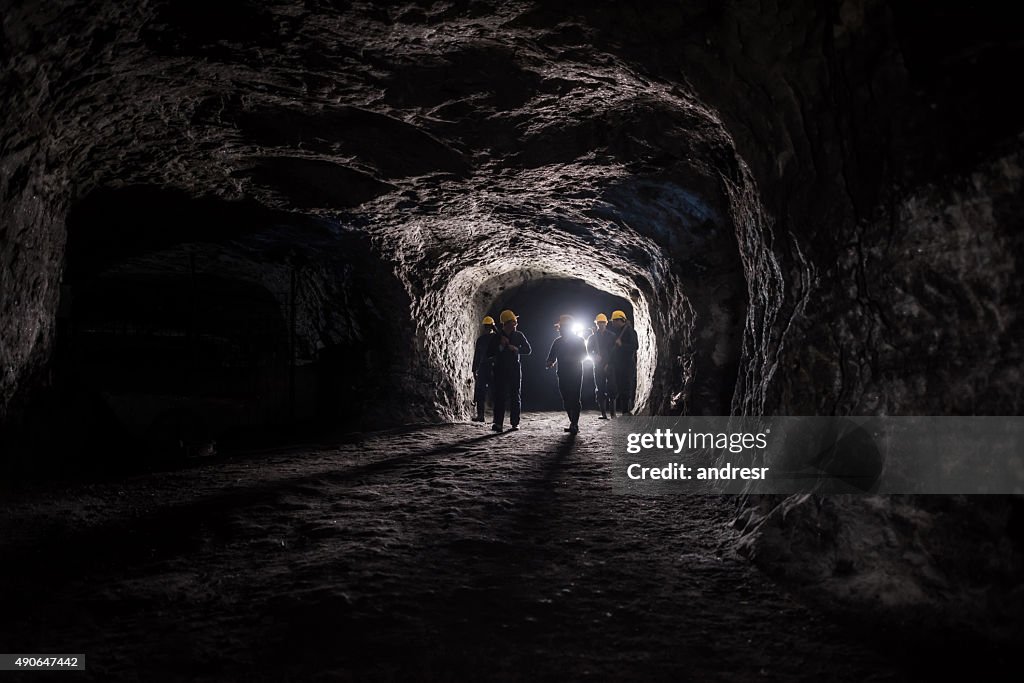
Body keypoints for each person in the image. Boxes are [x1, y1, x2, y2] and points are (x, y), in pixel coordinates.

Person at [488, 309, 532, 432]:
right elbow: (489, 353)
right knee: (499, 396)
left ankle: (515, 423)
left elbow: (528, 350)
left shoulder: (519, 335)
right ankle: (498, 423)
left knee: (515, 396)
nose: (516, 324)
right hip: (500, 369)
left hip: (514, 369)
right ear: (507, 323)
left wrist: (516, 349)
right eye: (513, 322)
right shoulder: (496, 337)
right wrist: (501, 346)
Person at [546, 315, 589, 434]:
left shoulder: (579, 340)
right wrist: (549, 362)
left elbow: (584, 355)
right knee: (566, 399)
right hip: (562, 374)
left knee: (574, 398)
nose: (560, 329)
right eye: (560, 327)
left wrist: (571, 359)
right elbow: (551, 357)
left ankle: (574, 424)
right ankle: (572, 422)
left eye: (563, 327)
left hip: (576, 373)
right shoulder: (557, 342)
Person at [608, 310, 639, 415]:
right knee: (620, 388)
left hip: (627, 365)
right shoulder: (618, 332)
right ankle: (624, 412)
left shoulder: (630, 332)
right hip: (619, 365)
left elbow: (635, 346)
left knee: (626, 389)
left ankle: (626, 412)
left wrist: (622, 345)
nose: (612, 323)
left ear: (619, 320)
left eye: (614, 321)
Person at [587, 313, 616, 419]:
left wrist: (609, 363)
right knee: (600, 388)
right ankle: (603, 413)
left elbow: (615, 351)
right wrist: (594, 356)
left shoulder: (612, 336)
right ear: (597, 324)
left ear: (606, 323)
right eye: (599, 322)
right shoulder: (592, 337)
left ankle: (613, 413)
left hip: (610, 365)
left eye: (603, 322)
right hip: (598, 366)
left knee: (612, 388)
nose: (601, 324)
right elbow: (589, 350)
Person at [471, 315, 497, 422]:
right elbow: (477, 355)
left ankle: (496, 416)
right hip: (485, 367)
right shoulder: (482, 340)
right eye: (486, 326)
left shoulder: (496, 338)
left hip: (493, 368)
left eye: (488, 326)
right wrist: (474, 369)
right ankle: (481, 415)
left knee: (494, 392)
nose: (487, 328)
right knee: (481, 392)